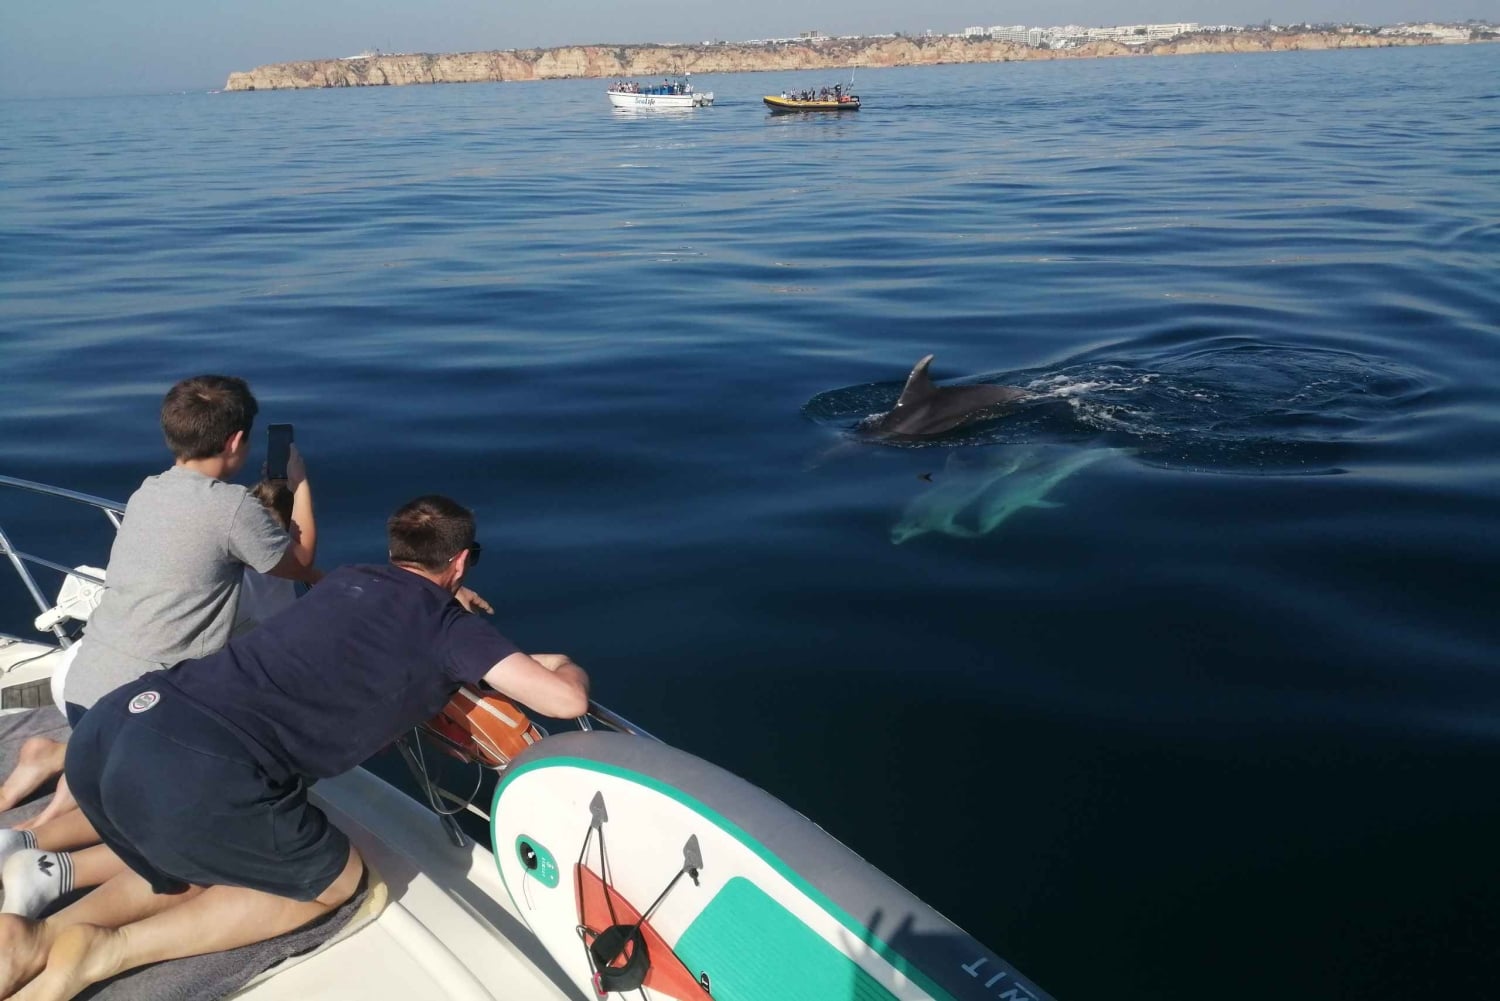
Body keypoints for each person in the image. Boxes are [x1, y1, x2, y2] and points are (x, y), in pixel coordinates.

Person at [0, 495, 589, 999]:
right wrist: (565, 664)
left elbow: (378, 632)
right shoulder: (448, 629)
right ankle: (108, 949)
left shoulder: (349, 580)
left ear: (393, 552)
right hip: (201, 767)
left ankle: (39, 937)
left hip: (115, 727)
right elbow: (565, 704)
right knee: (335, 880)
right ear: (461, 561)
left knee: (200, 858)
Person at [0, 375, 320, 823]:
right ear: (236, 442)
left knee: (108, 746)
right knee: (194, 800)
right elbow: (299, 563)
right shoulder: (232, 507)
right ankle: (38, 829)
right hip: (141, 709)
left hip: (83, 684)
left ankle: (52, 757)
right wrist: (300, 484)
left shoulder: (148, 490)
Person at [0, 479, 316, 919]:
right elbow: (297, 577)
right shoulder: (267, 580)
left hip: (81, 667)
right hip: (124, 697)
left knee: (112, 745)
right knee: (160, 798)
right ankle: (37, 835)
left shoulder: (177, 541)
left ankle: (48, 772)